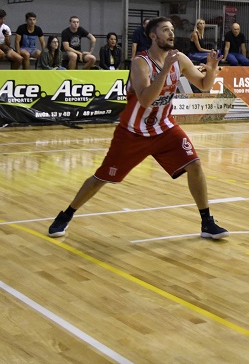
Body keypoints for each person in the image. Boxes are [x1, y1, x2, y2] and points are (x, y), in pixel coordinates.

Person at [48, 17, 228, 240]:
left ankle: (206, 222)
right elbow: (145, 99)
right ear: (153, 36)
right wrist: (164, 72)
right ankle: (66, 215)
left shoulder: (179, 58)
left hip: (164, 128)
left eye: (172, 30)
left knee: (195, 164)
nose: (171, 34)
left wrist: (211, 70)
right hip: (133, 132)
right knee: (102, 178)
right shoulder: (140, 62)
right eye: (165, 30)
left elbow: (204, 85)